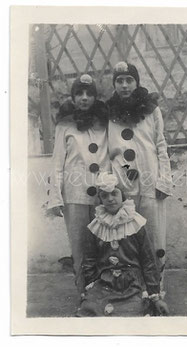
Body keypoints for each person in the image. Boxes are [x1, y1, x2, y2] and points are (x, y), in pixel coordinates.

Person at [106, 61, 172, 277]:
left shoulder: (151, 110)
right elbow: (111, 150)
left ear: (136, 82)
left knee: (153, 234)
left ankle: (157, 288)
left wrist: (164, 180)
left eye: (129, 80)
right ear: (114, 84)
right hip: (122, 179)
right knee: (127, 236)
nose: (124, 85)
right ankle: (134, 291)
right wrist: (122, 169)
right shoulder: (109, 113)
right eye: (120, 81)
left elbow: (160, 145)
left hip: (150, 178)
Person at [47, 74, 110, 290]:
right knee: (80, 247)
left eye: (89, 94)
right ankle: (84, 293)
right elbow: (57, 162)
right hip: (75, 194)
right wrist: (55, 197)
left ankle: (104, 293)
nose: (84, 98)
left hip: (103, 194)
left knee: (104, 244)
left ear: (95, 97)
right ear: (73, 98)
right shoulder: (64, 126)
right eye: (79, 94)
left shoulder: (104, 123)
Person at [76, 172, 169, 317]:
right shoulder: (95, 227)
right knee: (91, 310)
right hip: (104, 282)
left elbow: (148, 261)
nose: (110, 199)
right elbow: (89, 261)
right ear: (100, 199)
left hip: (132, 282)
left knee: (133, 312)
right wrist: (91, 286)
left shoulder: (136, 223)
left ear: (122, 196)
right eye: (104, 196)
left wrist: (154, 295)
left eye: (114, 193)